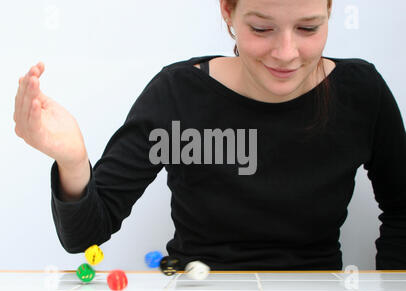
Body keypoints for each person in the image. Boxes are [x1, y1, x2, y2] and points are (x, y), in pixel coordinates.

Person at [13, 0, 406, 271]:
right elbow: (85, 235)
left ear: (329, 12)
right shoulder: (176, 94)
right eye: (261, 28)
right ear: (228, 12)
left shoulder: (362, 92)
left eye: (308, 28)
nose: (286, 53)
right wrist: (73, 161)